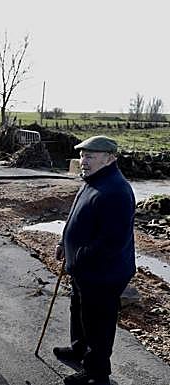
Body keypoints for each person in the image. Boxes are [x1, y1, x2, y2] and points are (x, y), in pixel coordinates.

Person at [53, 135, 136, 385]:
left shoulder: (116, 190)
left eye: (89, 156)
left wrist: (78, 258)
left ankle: (97, 373)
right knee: (79, 310)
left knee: (98, 322)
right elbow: (76, 215)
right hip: (84, 269)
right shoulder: (93, 180)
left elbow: (112, 242)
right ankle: (79, 349)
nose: (83, 161)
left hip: (103, 273)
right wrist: (63, 242)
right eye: (82, 155)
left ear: (110, 158)